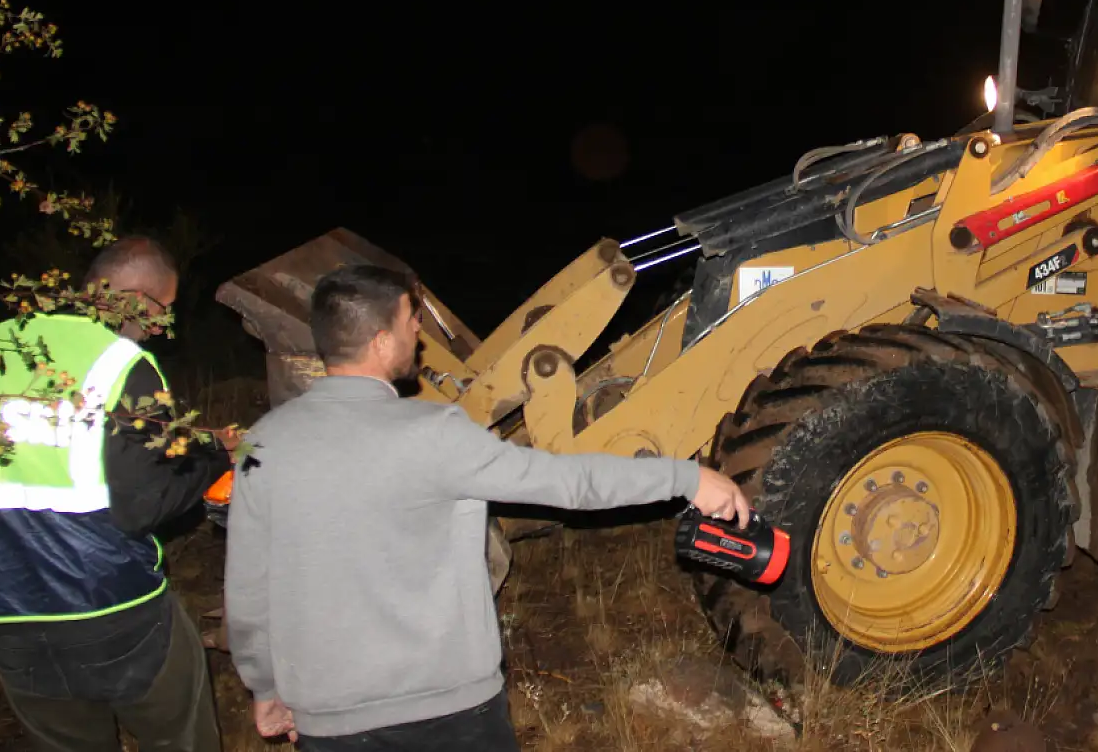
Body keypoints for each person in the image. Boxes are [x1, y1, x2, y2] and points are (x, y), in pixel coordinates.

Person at [224, 264, 752, 750]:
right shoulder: (434, 434)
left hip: (329, 719)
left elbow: (248, 586)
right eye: (411, 322)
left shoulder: (263, 445)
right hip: (451, 712)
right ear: (380, 342)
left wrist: (265, 685)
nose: (419, 336)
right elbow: (568, 482)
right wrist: (685, 477)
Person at [0, 235, 231, 752]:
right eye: (164, 309)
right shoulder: (121, 364)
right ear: (138, 300)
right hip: (111, 608)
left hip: (4, 614)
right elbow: (143, 505)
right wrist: (213, 461)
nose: (162, 326)